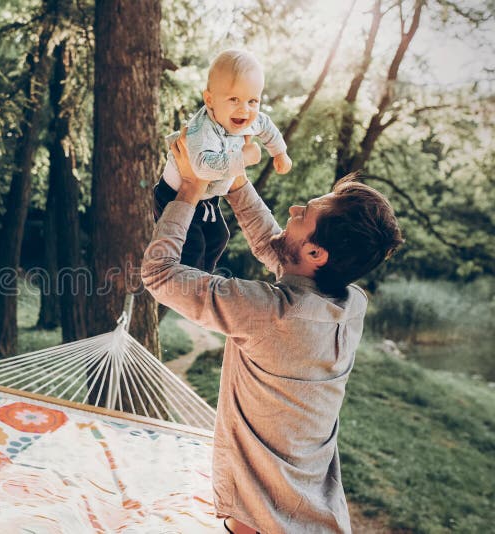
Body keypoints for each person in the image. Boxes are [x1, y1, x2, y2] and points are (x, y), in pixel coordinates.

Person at [141, 127, 404, 533]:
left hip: (262, 522)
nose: (295, 208)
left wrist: (189, 192)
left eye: (304, 214)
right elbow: (280, 251)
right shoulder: (351, 306)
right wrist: (236, 179)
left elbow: (159, 274)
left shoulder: (268, 314)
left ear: (318, 253)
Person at [154, 48, 292, 273]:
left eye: (253, 101)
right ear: (209, 99)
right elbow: (202, 168)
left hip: (206, 198)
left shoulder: (247, 118)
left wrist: (280, 152)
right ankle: (189, 282)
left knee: (219, 236)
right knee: (193, 246)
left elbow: (267, 127)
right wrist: (242, 159)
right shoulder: (202, 130)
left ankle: (204, 279)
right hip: (174, 196)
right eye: (234, 99)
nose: (244, 109)